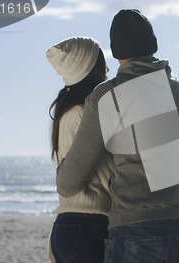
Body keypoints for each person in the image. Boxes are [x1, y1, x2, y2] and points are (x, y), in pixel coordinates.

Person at [55, 9, 179, 263]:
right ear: (153, 45)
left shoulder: (108, 96)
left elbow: (69, 182)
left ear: (116, 53)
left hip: (139, 229)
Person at [46, 36, 114, 263]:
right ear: (90, 70)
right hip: (90, 227)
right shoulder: (87, 114)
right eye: (102, 63)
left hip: (68, 224)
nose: (107, 68)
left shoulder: (67, 112)